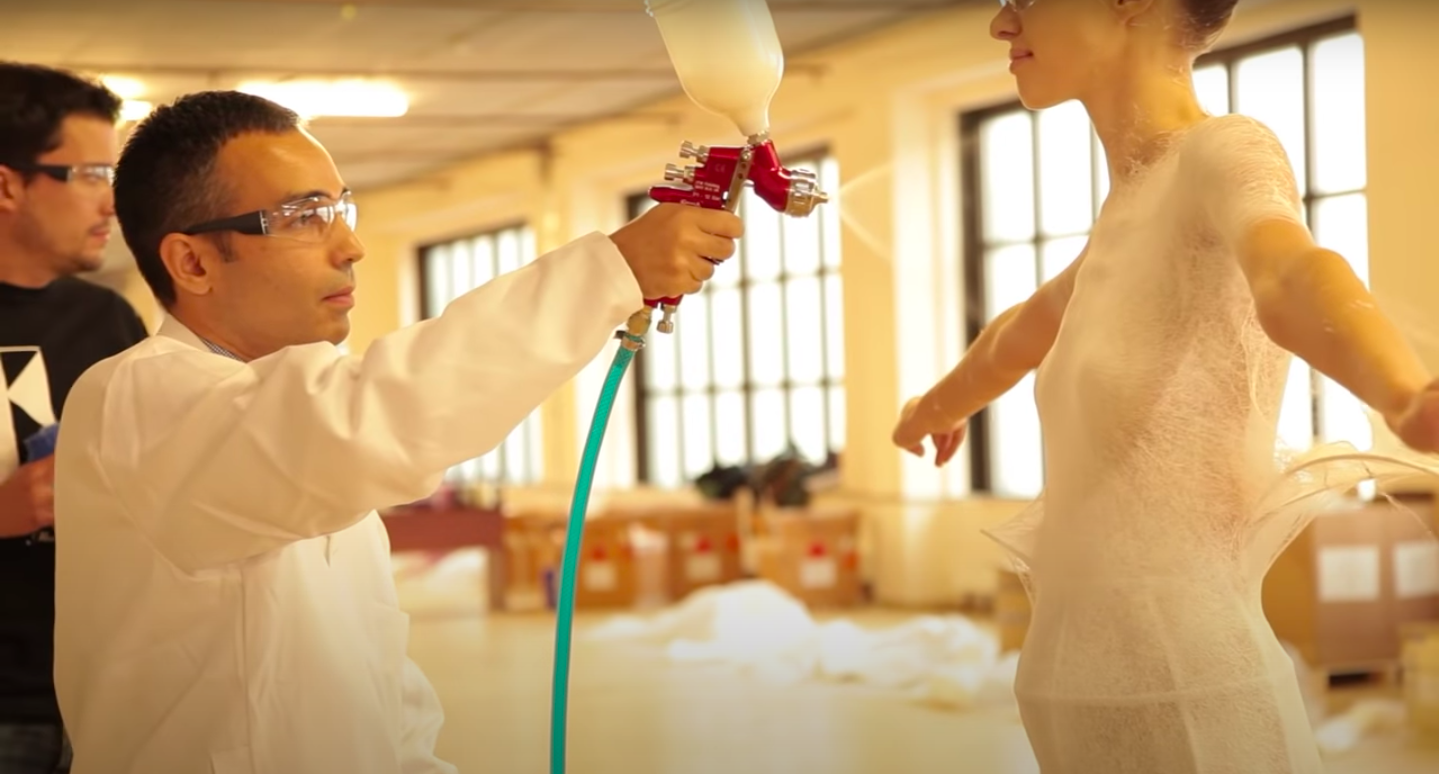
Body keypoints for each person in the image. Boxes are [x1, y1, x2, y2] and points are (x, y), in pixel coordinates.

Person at [50, 89, 741, 774]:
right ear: (192, 262)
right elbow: (368, 424)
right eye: (304, 216)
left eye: (340, 207)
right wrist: (608, 272)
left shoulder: (304, 424)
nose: (349, 246)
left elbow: (376, 685)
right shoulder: (135, 397)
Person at [891, 0, 1439, 772]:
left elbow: (1288, 270)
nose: (1001, 25)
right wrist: (930, 410)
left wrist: (1405, 394)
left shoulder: (1222, 151)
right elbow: (1019, 333)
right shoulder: (1128, 212)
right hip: (1072, 696)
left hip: (1193, 696)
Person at [0, 62, 150, 774]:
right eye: (90, 173)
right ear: (8, 184)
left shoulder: (109, 320)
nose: (111, 202)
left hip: (105, 696)